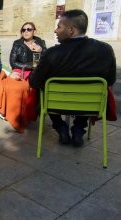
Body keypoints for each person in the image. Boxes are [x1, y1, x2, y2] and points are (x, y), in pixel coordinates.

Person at [29, 9, 116, 147]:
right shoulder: (105, 50)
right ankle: (78, 130)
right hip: (89, 105)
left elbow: (34, 82)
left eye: (59, 27)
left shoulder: (51, 53)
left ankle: (60, 127)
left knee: (42, 90)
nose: (55, 31)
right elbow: (110, 81)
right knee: (88, 91)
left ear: (71, 30)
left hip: (55, 105)